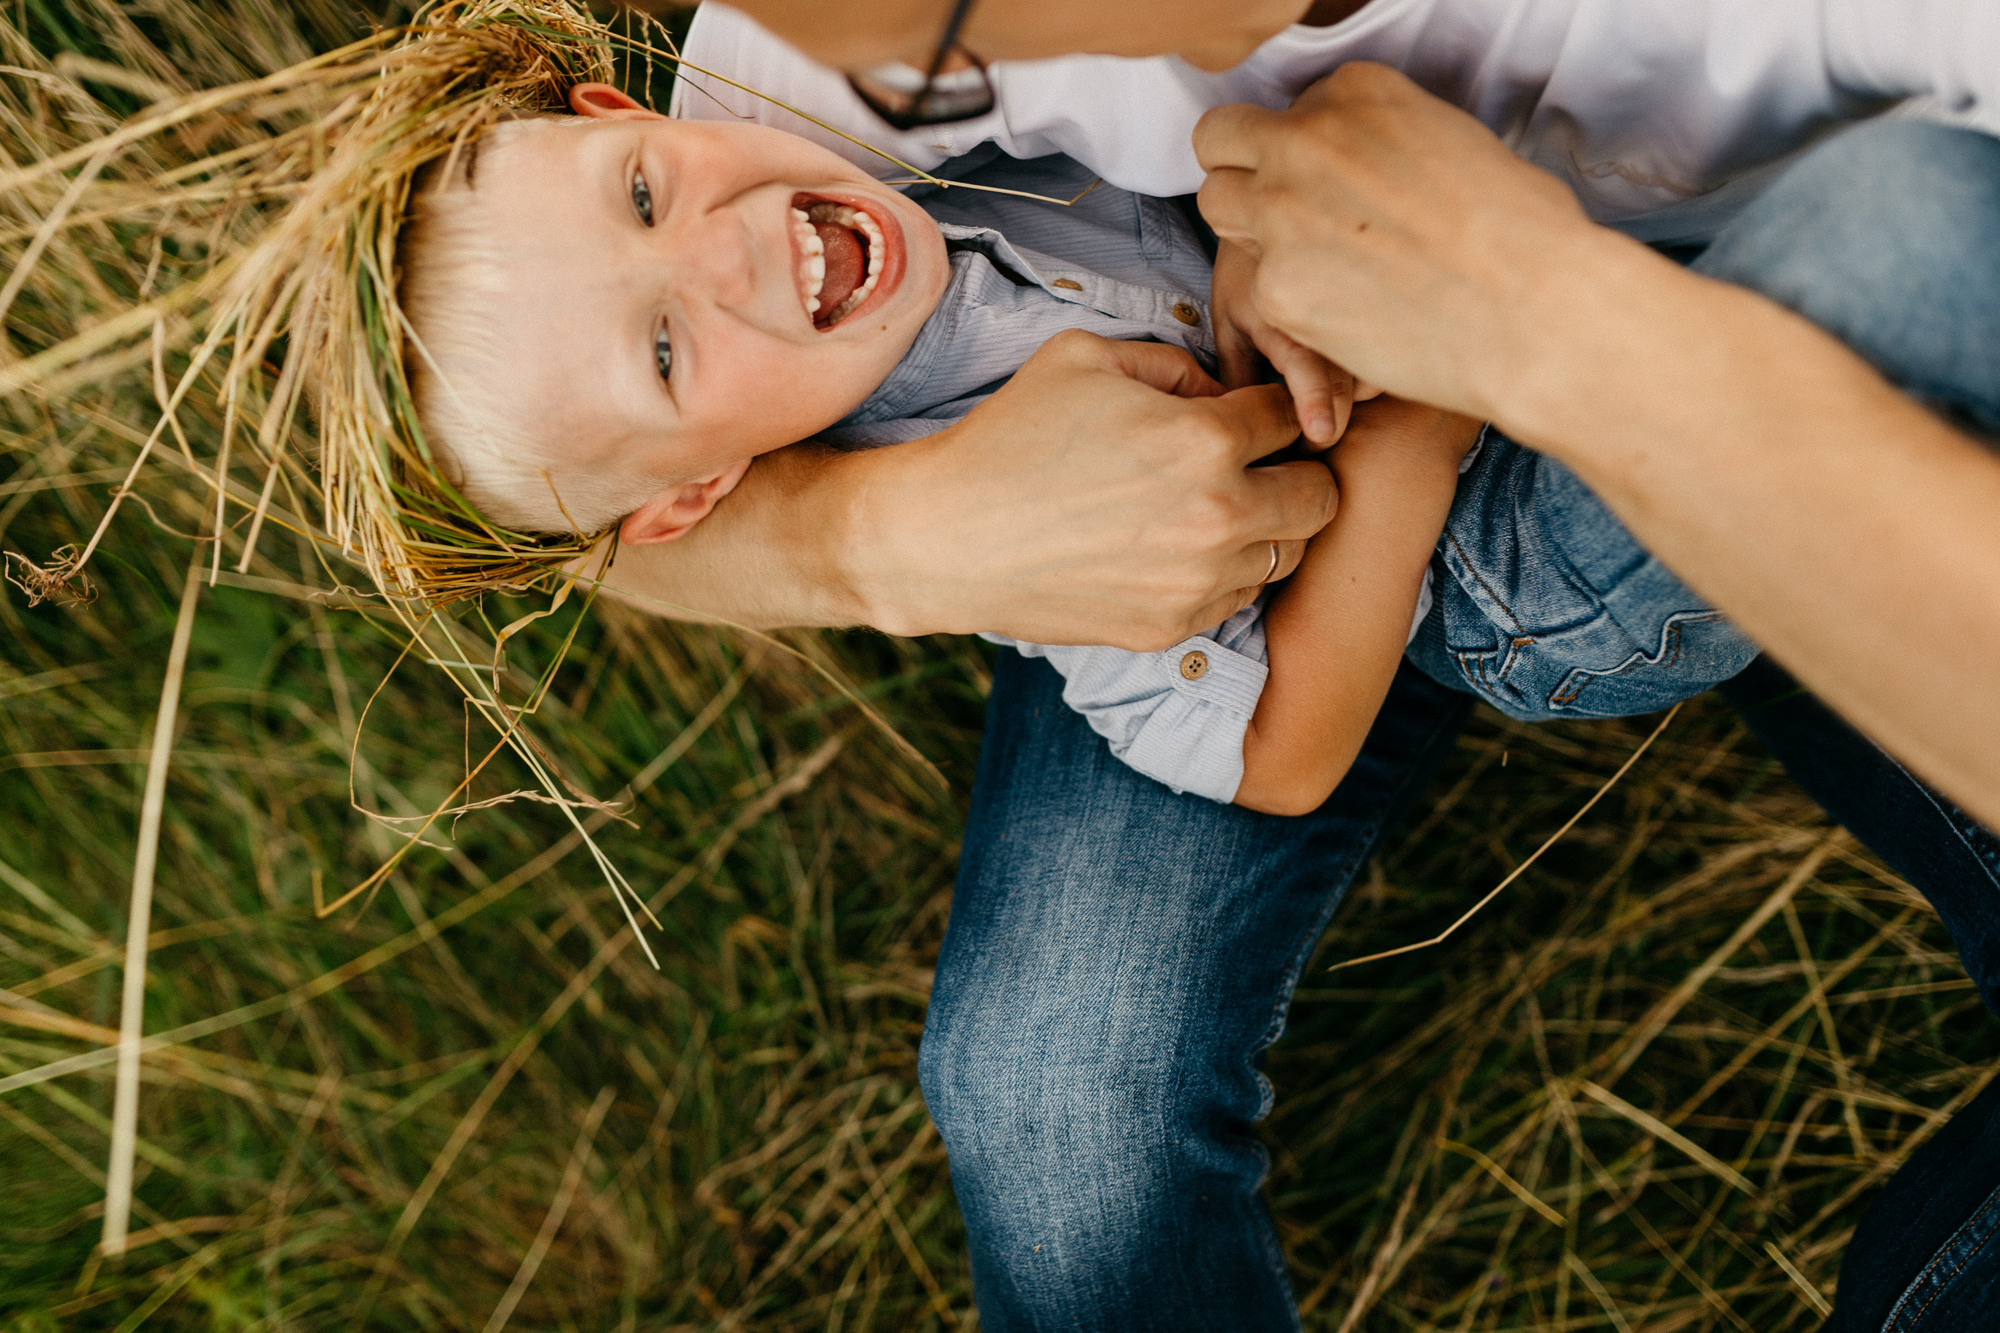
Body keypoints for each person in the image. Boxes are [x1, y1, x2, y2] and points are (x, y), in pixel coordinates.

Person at [597, 2, 2000, 1329]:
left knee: (1894, 249)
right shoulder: (799, 124)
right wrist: (897, 540)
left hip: (1587, 444)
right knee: (1054, 1104)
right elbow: (537, 506)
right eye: (945, 74)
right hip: (1239, 559)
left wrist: (1469, 349)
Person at [399, 65, 1767, 816]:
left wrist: (1263, 220)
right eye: (665, 349)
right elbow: (1279, 757)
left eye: (644, 193)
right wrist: (1420, 410)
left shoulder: (854, 127)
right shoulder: (1006, 515)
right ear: (696, 492)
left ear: (623, 115)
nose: (727, 249)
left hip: (1422, 249)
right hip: (1497, 568)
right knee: (1805, 346)